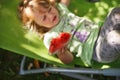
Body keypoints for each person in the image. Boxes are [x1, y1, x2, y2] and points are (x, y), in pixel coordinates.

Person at [18, 0, 120, 66]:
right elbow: (68, 61)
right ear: (39, 26)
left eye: (49, 9)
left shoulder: (61, 10)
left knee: (115, 12)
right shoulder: (51, 38)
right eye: (44, 18)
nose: (50, 15)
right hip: (97, 51)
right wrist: (63, 53)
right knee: (114, 36)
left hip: (101, 31)